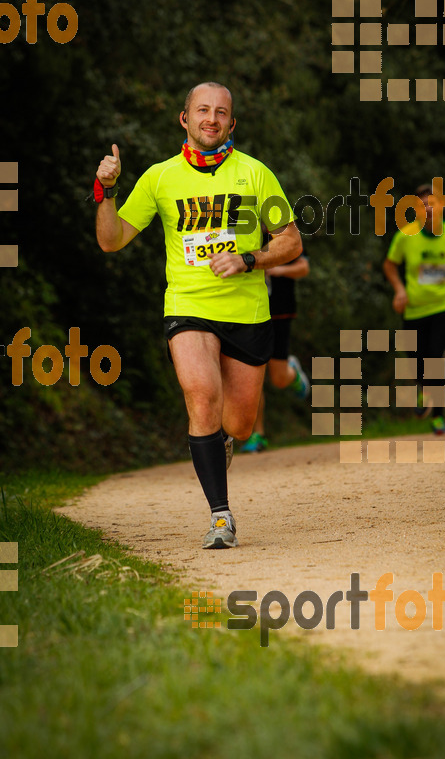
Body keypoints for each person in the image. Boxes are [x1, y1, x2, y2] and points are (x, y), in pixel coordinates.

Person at [95, 81, 302, 548]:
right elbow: (111, 240)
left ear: (232, 123)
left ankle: (222, 445)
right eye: (202, 110)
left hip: (247, 311)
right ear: (184, 119)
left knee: (239, 424)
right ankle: (221, 517)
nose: (212, 118)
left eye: (221, 112)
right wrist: (104, 191)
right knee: (201, 396)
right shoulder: (160, 178)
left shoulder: (255, 174)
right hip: (187, 306)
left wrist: (249, 259)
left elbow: (290, 241)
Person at [383, 183, 445, 435]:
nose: (428, 209)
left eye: (432, 204)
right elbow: (390, 265)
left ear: (442, 206)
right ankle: (425, 391)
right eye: (423, 205)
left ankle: (438, 417)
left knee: (437, 356)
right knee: (416, 362)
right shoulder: (405, 236)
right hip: (414, 310)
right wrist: (399, 289)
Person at [241, 253, 310, 453]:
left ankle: (293, 372)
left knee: (278, 379)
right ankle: (258, 434)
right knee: (252, 373)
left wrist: (277, 270)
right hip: (248, 313)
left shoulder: (281, 231)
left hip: (279, 312)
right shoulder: (238, 232)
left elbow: (303, 268)